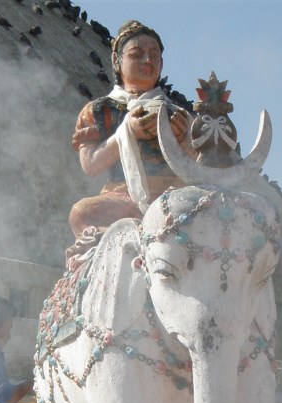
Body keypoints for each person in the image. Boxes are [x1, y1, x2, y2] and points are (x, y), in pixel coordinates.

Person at [66, 20, 194, 267]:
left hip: (172, 201)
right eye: (136, 54)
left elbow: (200, 169)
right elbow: (91, 165)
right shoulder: (100, 110)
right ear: (117, 61)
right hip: (124, 201)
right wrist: (128, 132)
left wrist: (182, 141)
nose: (147, 61)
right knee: (81, 212)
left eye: (154, 56)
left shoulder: (180, 115)